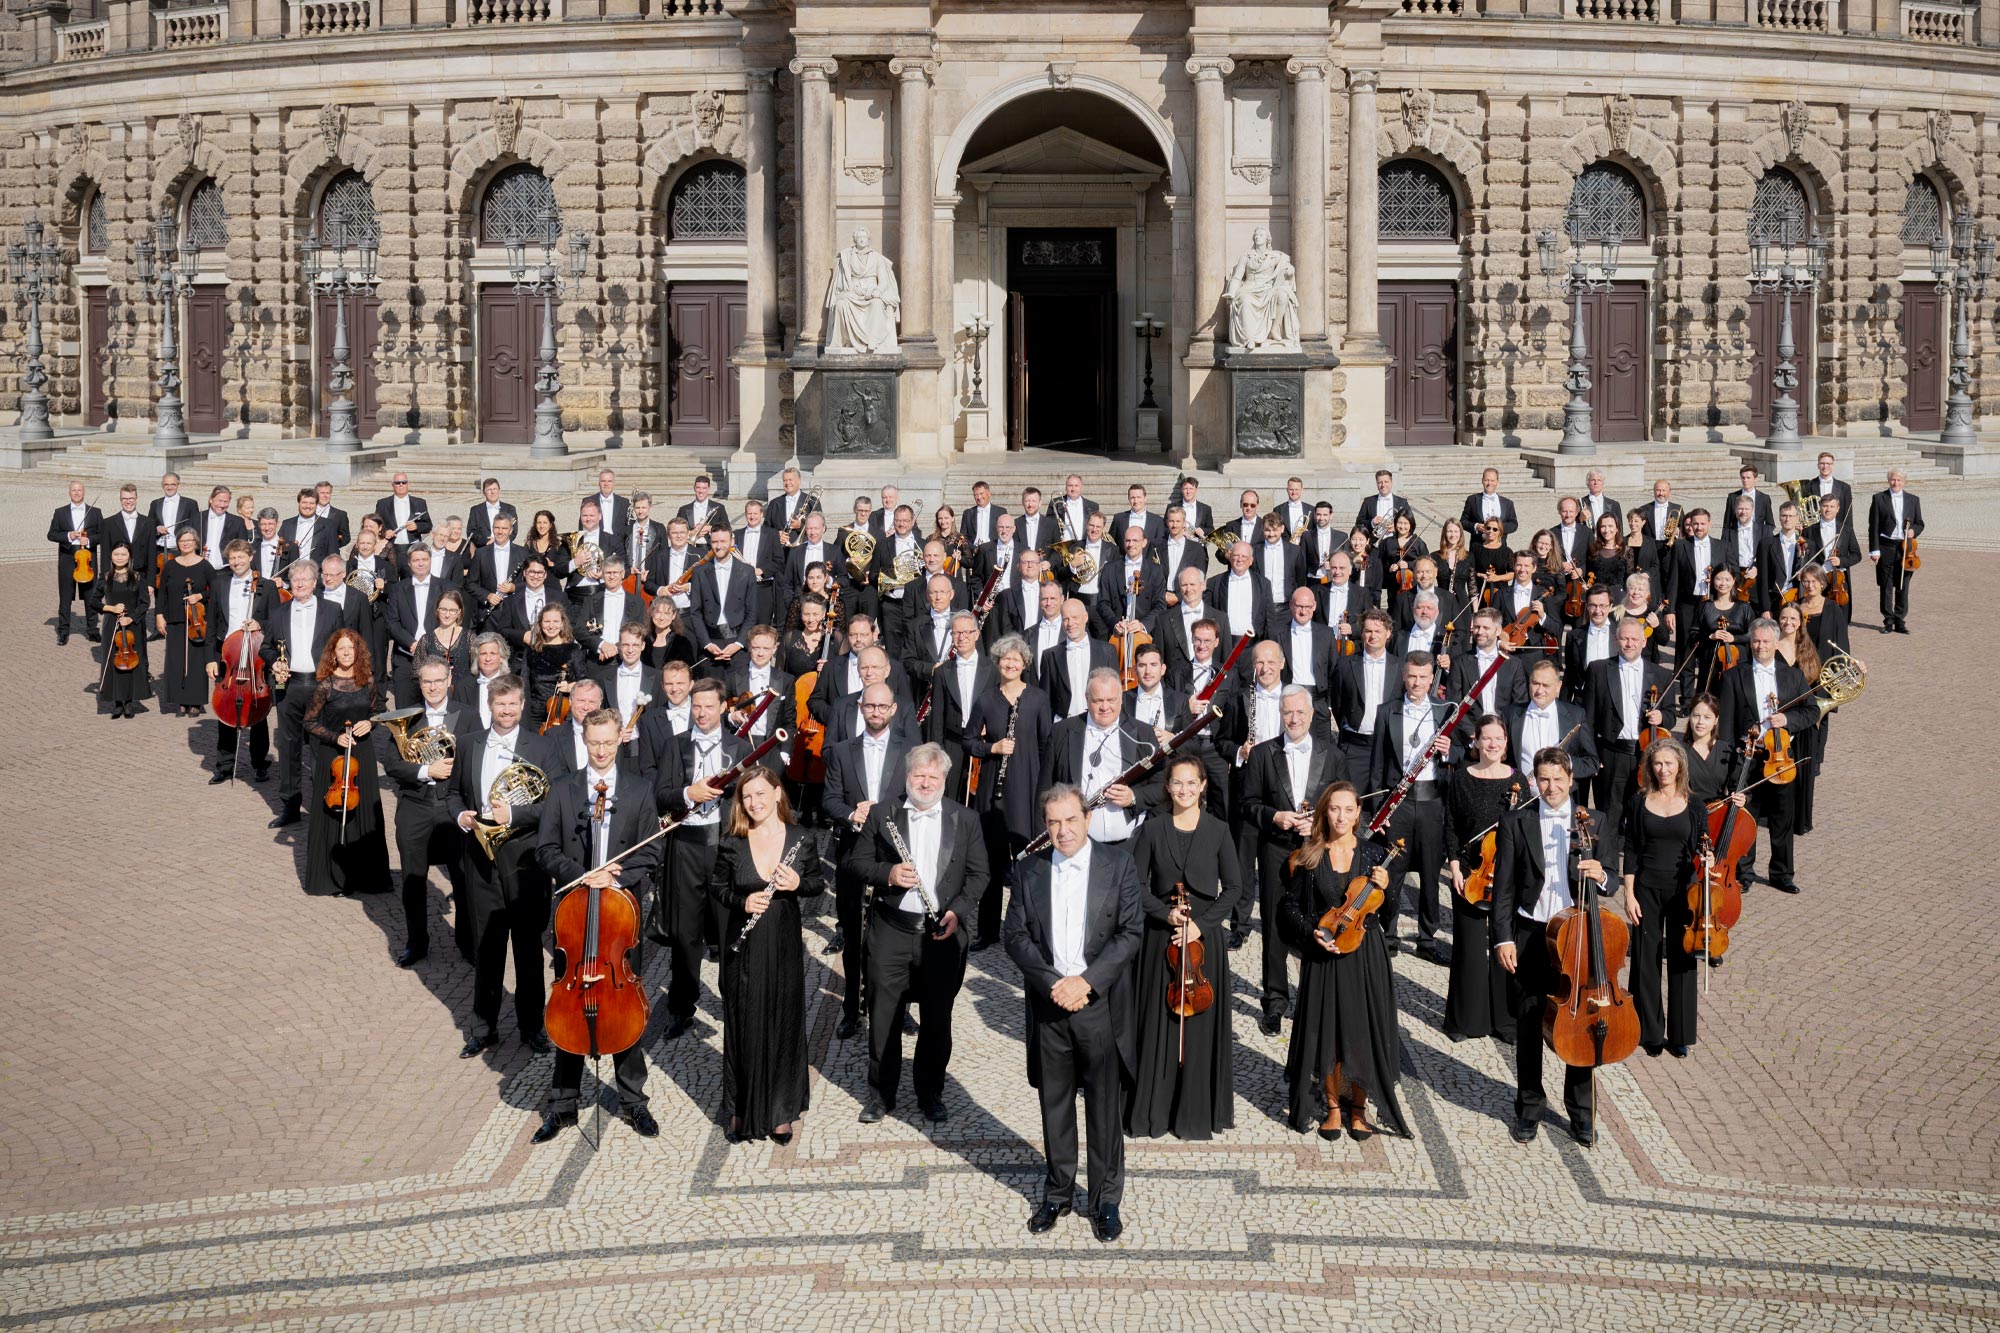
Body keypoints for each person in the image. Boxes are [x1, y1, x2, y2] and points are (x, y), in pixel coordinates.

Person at [1004, 784, 1143, 1243]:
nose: (1062, 831)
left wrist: (1087, 982)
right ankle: (1058, 1191)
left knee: (1104, 1106)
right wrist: (1052, 984)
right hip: (1050, 1004)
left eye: (1070, 820)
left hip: (1097, 1004)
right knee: (1055, 1103)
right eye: (1053, 823)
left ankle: (1105, 1200)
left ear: (1086, 817)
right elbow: (1015, 936)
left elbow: (1130, 932)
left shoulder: (1118, 865)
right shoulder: (1028, 870)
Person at [529, 707, 664, 1144]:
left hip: (618, 925)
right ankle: (563, 1105)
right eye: (594, 743)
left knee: (622, 1013)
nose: (602, 751)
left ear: (620, 739)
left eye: (609, 743)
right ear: (583, 741)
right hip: (574, 918)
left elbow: (651, 854)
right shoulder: (565, 790)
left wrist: (616, 875)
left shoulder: (641, 790)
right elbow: (545, 848)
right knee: (570, 1012)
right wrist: (579, 871)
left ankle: (633, 1102)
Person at [848, 743, 988, 1123]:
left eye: (933, 776)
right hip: (891, 929)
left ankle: (930, 1093)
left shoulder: (966, 819)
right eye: (918, 775)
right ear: (907, 777)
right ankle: (881, 1095)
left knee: (937, 1019)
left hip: (941, 933)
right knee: (883, 1016)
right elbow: (855, 864)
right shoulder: (883, 814)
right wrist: (888, 874)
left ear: (945, 779)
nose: (925, 782)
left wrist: (958, 912)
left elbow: (980, 876)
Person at [1492, 745, 1614, 1146]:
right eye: (1543, 779)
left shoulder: (1595, 821)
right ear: (1534, 780)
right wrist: (1504, 937)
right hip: (1530, 934)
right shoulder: (1515, 821)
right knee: (1528, 1022)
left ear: (1570, 780)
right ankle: (1529, 1108)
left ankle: (1581, 1113)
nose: (1551, 787)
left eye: (1558, 779)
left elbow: (1611, 877)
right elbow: (1504, 888)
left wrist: (1601, 875)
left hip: (1577, 934)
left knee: (1579, 1022)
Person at [1278, 782, 1409, 1140]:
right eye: (1334, 809)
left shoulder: (1373, 854)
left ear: (1357, 814)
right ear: (1325, 812)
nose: (1341, 816)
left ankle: (1359, 1108)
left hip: (1365, 956)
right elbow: (1288, 908)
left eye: (1348, 810)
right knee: (1329, 1033)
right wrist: (1313, 935)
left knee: (1361, 1032)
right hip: (1325, 954)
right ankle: (1333, 1107)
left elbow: (1387, 914)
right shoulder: (1311, 854)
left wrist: (1388, 886)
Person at [1125, 755, 1242, 1141]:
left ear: (1203, 785)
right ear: (1168, 787)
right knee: (1160, 1023)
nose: (1185, 790)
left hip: (1202, 942)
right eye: (1178, 783)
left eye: (1192, 783)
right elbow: (1137, 886)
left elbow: (1237, 889)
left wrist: (1200, 926)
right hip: (1164, 935)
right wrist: (1166, 915)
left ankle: (1195, 1112)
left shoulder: (1219, 829)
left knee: (1199, 1024)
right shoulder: (1153, 829)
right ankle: (1155, 1111)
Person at [450, 673, 557, 1058]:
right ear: (489, 706)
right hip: (480, 859)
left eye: (513, 704)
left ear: (523, 704)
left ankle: (532, 1027)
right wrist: (461, 818)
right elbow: (452, 795)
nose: (507, 711)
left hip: (524, 861)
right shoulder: (468, 744)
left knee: (528, 950)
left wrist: (514, 813)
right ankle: (484, 1027)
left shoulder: (542, 748)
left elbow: (552, 806)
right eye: (500, 704)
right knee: (487, 948)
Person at [712, 764, 821, 1142]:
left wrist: (798, 883)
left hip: (784, 942)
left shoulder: (801, 839)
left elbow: (818, 884)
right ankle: (740, 1108)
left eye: (761, 793)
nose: (755, 802)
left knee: (783, 1020)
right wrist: (742, 901)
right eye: (747, 796)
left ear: (777, 793)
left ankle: (780, 1111)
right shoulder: (732, 841)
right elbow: (717, 887)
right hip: (743, 948)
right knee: (744, 1021)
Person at [1243, 684, 1348, 1030]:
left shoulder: (1332, 755)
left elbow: (1345, 804)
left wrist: (1319, 824)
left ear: (1312, 714)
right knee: (1275, 926)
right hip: (1275, 850)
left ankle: (1315, 999)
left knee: (1319, 921)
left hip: (1318, 851)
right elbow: (1248, 805)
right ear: (1280, 714)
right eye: (1287, 712)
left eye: (1300, 712)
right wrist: (1276, 817)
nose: (1294, 718)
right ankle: (1274, 1001)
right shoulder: (1261, 754)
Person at [655, 677, 751, 1037]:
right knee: (684, 931)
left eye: (709, 706)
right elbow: (660, 794)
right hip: (686, 845)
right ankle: (682, 1005)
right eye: (697, 707)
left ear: (724, 707)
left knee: (728, 928)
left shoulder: (739, 748)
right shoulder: (674, 745)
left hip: (724, 846)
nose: (702, 713)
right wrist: (687, 792)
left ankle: (733, 1000)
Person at [378, 656, 471, 966]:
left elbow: (476, 760)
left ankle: (466, 941)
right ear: (420, 683)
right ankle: (417, 943)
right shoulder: (408, 717)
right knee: (413, 880)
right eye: (426, 681)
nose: (432, 687)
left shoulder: (469, 716)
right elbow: (392, 764)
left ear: (449, 680)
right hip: (415, 807)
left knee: (463, 878)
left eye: (438, 681)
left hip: (453, 807)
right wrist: (426, 770)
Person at [962, 634, 1053, 947]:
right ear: (998, 663)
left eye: (1017, 659)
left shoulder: (1038, 699)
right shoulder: (987, 699)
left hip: (1028, 791)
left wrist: (1044, 796)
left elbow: (1046, 746)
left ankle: (1027, 929)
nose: (1011, 664)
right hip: (993, 793)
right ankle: (987, 931)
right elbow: (968, 741)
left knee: (1028, 863)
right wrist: (992, 747)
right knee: (989, 863)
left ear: (1025, 664)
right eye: (1005, 659)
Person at [1366, 653, 1457, 965]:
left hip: (1433, 801)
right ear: (1403, 677)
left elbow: (1459, 753)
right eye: (1411, 677)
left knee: (1431, 872)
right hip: (1399, 802)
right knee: (1393, 868)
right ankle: (1388, 934)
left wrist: (1450, 752)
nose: (1417, 683)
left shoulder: (1445, 710)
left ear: (1432, 678)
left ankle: (1427, 938)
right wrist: (1380, 813)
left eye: (1423, 677)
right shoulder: (1386, 711)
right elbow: (1377, 766)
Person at [1443, 715, 1527, 1043]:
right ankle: (1466, 1020)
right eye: (1486, 738)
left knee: (1504, 945)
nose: (1492, 744)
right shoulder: (1461, 778)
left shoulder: (1516, 780)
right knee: (1469, 947)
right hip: (1470, 871)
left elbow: (1523, 829)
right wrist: (1453, 868)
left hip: (1507, 875)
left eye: (1499, 738)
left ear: (1506, 743)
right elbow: (1450, 824)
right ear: (1475, 741)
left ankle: (1505, 1021)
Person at [1621, 736, 1703, 1059]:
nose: (1663, 769)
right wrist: (1628, 893)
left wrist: (1706, 859)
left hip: (1684, 890)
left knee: (1682, 960)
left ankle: (1680, 1034)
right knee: (1645, 957)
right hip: (1647, 888)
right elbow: (1631, 848)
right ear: (1649, 767)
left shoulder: (1693, 804)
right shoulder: (1639, 801)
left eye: (1669, 763)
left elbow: (1702, 845)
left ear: (1680, 765)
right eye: (1657, 764)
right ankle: (1649, 1031)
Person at [301, 628, 392, 897]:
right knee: (333, 813)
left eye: (350, 649)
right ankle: (335, 878)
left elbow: (378, 712)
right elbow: (309, 723)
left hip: (362, 755)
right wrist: (334, 737)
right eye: (341, 649)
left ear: (358, 652)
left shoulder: (368, 681)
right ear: (333, 653)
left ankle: (366, 877)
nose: (346, 653)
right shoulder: (325, 685)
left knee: (365, 811)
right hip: (335, 756)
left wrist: (370, 723)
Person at [1583, 617, 1675, 879]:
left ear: (1644, 641)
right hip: (1611, 753)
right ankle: (1608, 871)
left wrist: (1662, 718)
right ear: (1616, 640)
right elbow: (1587, 719)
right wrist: (1591, 754)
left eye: (1635, 638)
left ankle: (1642, 871)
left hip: (1646, 755)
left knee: (1644, 814)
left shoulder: (1661, 674)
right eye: (1624, 638)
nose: (1629, 643)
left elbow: (1671, 714)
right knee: (1609, 816)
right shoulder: (1599, 670)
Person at [204, 540, 277, 783]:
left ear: (250, 556)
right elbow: (212, 623)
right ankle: (224, 765)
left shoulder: (266, 587)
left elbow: (276, 622)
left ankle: (259, 763)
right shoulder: (219, 584)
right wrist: (211, 659)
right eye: (232, 558)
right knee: (225, 712)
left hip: (256, 656)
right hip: (228, 655)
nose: (236, 562)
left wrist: (260, 625)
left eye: (241, 557)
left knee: (258, 710)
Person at [94, 542, 150, 717]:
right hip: (112, 624)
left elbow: (144, 603)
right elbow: (93, 601)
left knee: (132, 662)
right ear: (111, 556)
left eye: (123, 554)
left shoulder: (138, 577)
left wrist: (131, 617)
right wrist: (110, 608)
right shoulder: (105, 577)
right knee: (113, 661)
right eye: (116, 554)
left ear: (130, 557)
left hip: (132, 625)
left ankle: (129, 702)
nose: (119, 557)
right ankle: (117, 702)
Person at [1867, 468, 1923, 633]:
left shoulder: (1913, 500)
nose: (1895, 483)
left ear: (1904, 482)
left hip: (1906, 547)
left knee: (1903, 584)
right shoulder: (1879, 499)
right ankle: (1888, 620)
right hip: (1886, 545)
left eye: (1899, 480)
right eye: (1893, 480)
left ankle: (1900, 620)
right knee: (1886, 584)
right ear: (1888, 481)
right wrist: (1874, 550)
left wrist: (1913, 531)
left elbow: (1920, 523)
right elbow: (1874, 526)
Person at [49, 479, 104, 645]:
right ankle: (63, 631)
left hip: (87, 559)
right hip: (67, 558)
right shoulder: (60, 512)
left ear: (84, 492)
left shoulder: (95, 512)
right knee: (65, 596)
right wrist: (68, 536)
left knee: (90, 594)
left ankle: (93, 630)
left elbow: (102, 534)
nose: (77, 493)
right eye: (74, 490)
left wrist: (88, 541)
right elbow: (51, 534)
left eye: (79, 490)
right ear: (69, 492)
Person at [523, 603, 584, 734]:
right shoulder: (531, 650)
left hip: (563, 712)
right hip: (535, 715)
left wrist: (570, 687)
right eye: (547, 621)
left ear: (563, 623)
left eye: (556, 621)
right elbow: (524, 684)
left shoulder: (573, 650)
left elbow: (585, 683)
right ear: (540, 624)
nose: (551, 626)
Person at [1461, 468, 1519, 538]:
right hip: (1478, 545)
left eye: (1492, 480)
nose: (1489, 483)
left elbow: (1513, 524)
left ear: (1497, 482)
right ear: (1482, 481)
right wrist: (1476, 526)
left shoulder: (1508, 503)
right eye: (1486, 480)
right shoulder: (1472, 500)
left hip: (1500, 545)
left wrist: (1497, 527)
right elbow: (1463, 521)